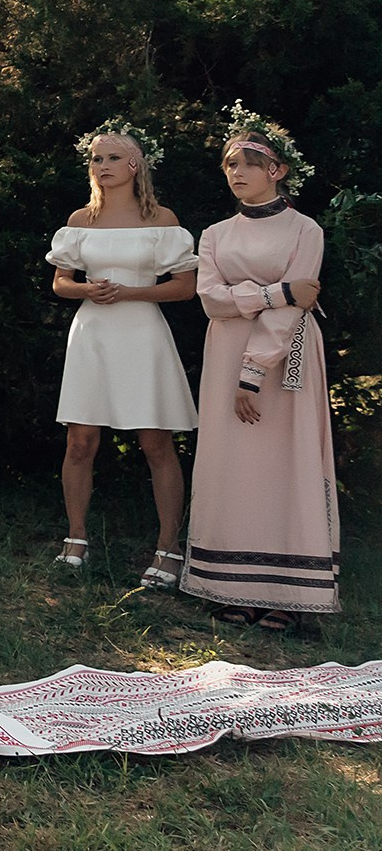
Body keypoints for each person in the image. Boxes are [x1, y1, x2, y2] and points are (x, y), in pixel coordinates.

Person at [181, 106, 335, 630]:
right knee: (232, 464)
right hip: (224, 351)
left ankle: (287, 594)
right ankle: (233, 586)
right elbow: (211, 301)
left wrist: (254, 371)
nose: (237, 173)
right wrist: (276, 291)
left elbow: (295, 306)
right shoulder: (216, 234)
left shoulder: (304, 229)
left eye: (248, 163)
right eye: (229, 165)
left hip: (283, 356)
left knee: (282, 462)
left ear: (278, 171)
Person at [45, 121, 198, 585]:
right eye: (96, 159)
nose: (103, 166)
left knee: (155, 442)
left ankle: (169, 547)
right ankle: (76, 538)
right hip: (92, 334)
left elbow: (184, 288)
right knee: (80, 441)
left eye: (112, 158)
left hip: (141, 333)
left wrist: (130, 293)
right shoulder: (78, 222)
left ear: (135, 165)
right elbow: (60, 282)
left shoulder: (162, 221)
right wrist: (87, 288)